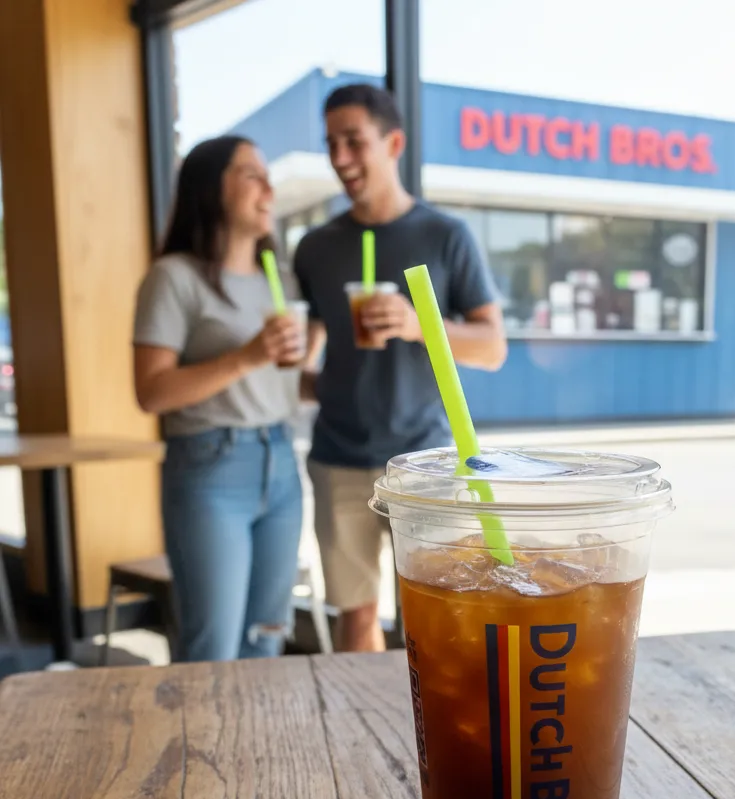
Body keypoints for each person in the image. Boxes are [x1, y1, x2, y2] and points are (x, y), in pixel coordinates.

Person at [294, 84, 507, 653]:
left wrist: (418, 324)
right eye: (331, 144)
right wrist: (305, 378)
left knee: (435, 615)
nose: (340, 158)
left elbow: (492, 347)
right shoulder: (315, 247)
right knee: (356, 617)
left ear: (393, 144)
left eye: (353, 141)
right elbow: (306, 353)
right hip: (337, 457)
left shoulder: (445, 236)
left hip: (424, 461)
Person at [133, 136, 305, 662]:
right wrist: (247, 357)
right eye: (252, 174)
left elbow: (283, 384)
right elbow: (151, 391)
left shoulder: (281, 280)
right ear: (211, 187)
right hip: (211, 470)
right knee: (212, 650)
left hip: (282, 464)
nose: (268, 188)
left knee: (267, 640)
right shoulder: (174, 277)